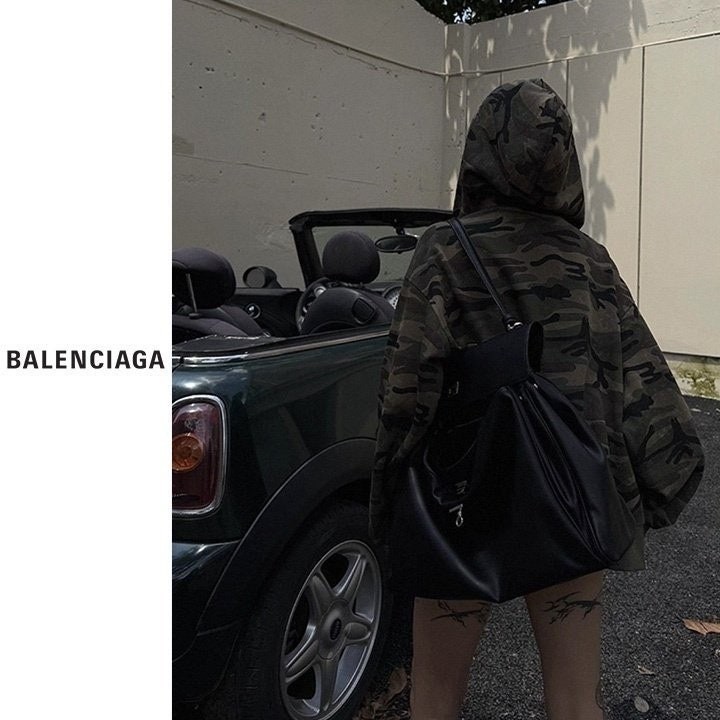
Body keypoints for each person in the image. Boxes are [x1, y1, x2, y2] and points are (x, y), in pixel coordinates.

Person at [369, 79, 705, 720]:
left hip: (461, 503)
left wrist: (387, 508)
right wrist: (647, 501)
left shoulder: (444, 250)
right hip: (569, 497)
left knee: (434, 696)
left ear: (481, 152)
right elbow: (645, 391)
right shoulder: (591, 261)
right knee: (576, 700)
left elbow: (405, 395)